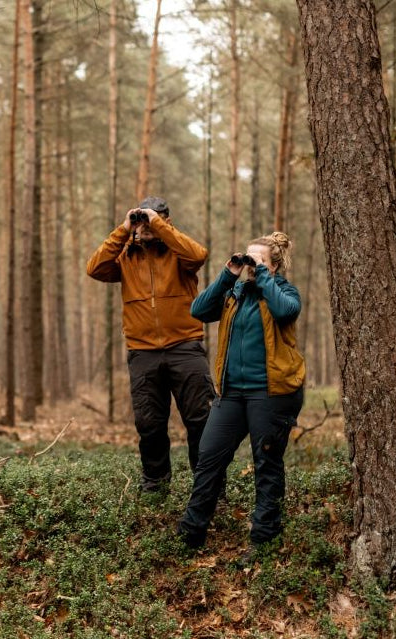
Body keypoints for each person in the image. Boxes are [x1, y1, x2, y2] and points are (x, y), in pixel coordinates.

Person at [176, 232, 305, 558]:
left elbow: (285, 311)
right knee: (209, 457)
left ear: (274, 265)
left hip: (272, 393)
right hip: (231, 394)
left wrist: (262, 276)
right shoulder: (234, 293)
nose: (249, 265)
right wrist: (227, 273)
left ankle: (264, 540)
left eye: (257, 260)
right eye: (247, 258)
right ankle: (190, 535)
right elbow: (199, 310)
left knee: (266, 463)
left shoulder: (285, 291)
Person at [86, 196, 214, 493]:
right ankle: (155, 484)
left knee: (201, 420)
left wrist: (160, 227)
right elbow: (94, 268)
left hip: (185, 347)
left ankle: (208, 484)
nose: (145, 226)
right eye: (142, 220)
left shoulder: (179, 253)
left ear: (165, 221)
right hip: (142, 351)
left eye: (152, 220)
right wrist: (124, 229)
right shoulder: (125, 255)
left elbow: (199, 255)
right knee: (149, 423)